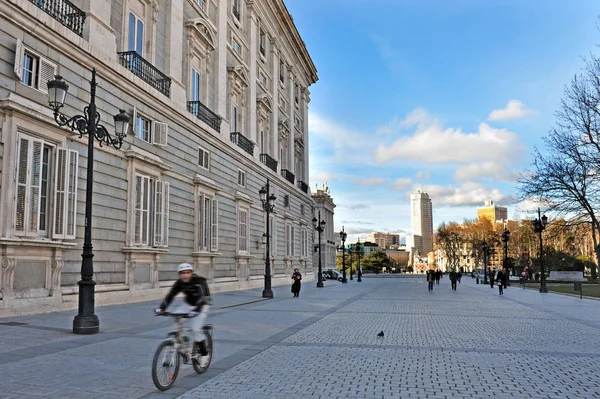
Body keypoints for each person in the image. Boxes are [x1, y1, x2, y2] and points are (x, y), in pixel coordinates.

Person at [155, 263, 211, 358]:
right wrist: (161, 309)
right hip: (188, 304)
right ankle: (181, 340)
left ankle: (204, 353)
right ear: (179, 274)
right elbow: (170, 296)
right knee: (176, 317)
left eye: (187, 272)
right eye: (182, 273)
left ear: (191, 273)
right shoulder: (179, 283)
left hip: (202, 305)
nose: (185, 275)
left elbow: (203, 297)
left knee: (195, 328)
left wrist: (196, 310)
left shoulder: (199, 282)